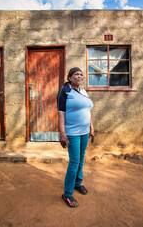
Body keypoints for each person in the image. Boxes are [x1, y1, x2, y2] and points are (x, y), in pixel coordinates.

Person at [57, 67, 94, 208]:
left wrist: (92, 127)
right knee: (74, 161)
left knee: (81, 158)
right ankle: (67, 194)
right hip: (72, 132)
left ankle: (78, 183)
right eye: (76, 74)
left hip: (84, 131)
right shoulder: (65, 91)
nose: (79, 76)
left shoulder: (83, 92)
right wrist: (62, 133)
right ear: (70, 77)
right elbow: (61, 113)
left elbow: (88, 110)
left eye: (81, 74)